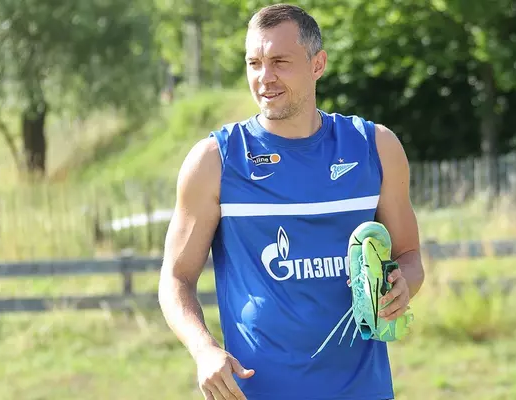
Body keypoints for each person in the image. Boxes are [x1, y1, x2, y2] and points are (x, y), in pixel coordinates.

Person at [158, 3, 425, 400]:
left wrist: (403, 287)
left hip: (363, 391)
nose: (264, 77)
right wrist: (204, 349)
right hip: (256, 391)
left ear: (318, 64)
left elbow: (410, 257)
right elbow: (176, 279)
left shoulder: (375, 147)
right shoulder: (216, 161)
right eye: (254, 63)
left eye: (279, 62)